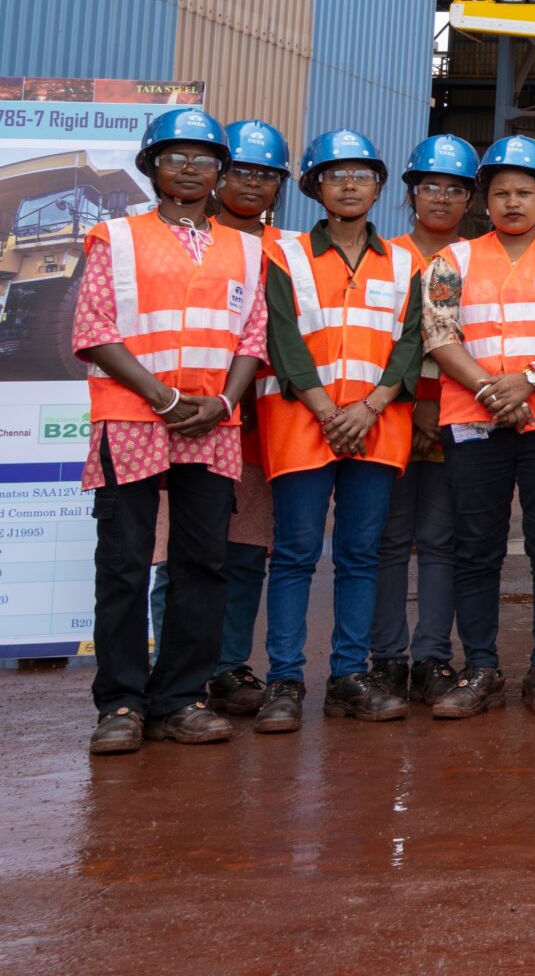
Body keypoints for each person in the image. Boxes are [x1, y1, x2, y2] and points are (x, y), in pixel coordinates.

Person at [77, 110, 266, 754]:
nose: (190, 168)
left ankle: (180, 699)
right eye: (175, 156)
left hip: (213, 423)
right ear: (151, 166)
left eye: (204, 158)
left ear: (220, 172)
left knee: (202, 565)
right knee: (126, 566)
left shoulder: (247, 248)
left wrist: (223, 401)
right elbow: (95, 330)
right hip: (134, 417)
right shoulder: (114, 237)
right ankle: (122, 704)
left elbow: (253, 336)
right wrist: (164, 396)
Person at [421, 135, 535, 720]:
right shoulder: (453, 261)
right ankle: (481, 668)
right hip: (475, 420)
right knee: (476, 550)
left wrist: (527, 380)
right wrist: (488, 391)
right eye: (500, 192)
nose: (512, 202)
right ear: (485, 200)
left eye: (525, 191)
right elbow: (440, 335)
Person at [249, 132, 420, 732]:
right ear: (315, 186)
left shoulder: (406, 262)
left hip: (376, 424)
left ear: (379, 188)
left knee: (359, 555)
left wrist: (369, 407)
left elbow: (413, 340)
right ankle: (285, 681)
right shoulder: (287, 256)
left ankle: (350, 675)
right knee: (294, 554)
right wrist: (328, 410)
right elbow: (282, 337)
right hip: (303, 422)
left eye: (362, 175)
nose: (349, 184)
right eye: (336, 174)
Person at [374, 135, 477, 705]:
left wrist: (437, 405)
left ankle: (433, 654)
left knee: (441, 540)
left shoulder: (472, 260)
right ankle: (387, 656)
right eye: (430, 186)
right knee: (389, 541)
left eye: (455, 189)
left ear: (469, 199)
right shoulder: (384, 258)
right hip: (389, 415)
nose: (441, 197)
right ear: (412, 193)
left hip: (453, 417)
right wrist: (410, 404)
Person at [199, 118, 291, 719]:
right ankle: (180, 670)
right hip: (192, 422)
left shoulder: (288, 250)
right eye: (240, 172)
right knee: (184, 552)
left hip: (261, 427)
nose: (252, 184)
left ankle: (229, 665)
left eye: (266, 175)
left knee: (244, 552)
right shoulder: (190, 241)